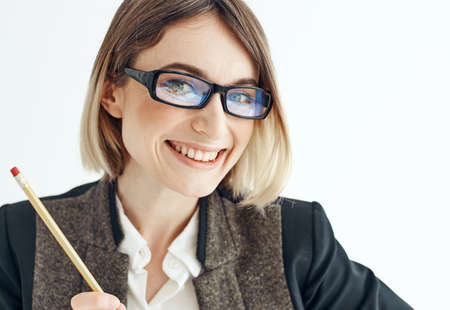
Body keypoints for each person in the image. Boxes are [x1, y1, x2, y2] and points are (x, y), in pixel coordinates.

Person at [0, 0, 414, 309]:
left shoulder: (299, 242)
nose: (215, 127)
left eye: (241, 95)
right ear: (112, 93)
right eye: (181, 86)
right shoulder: (18, 240)